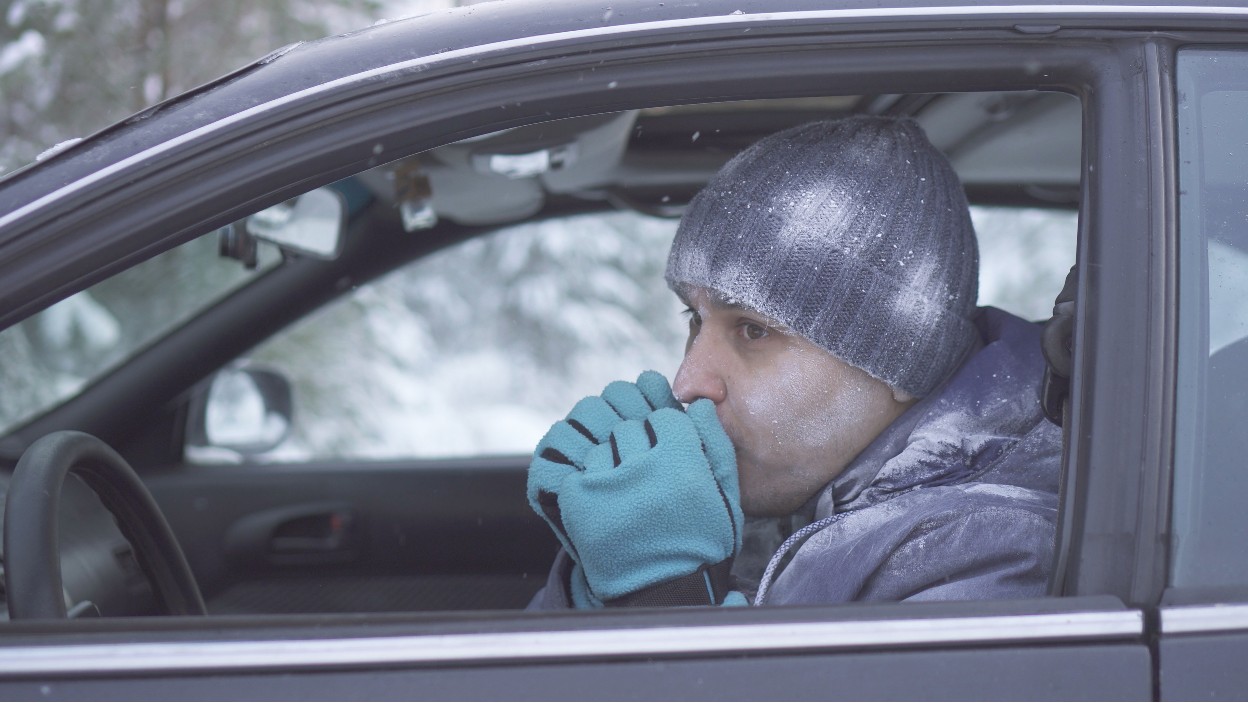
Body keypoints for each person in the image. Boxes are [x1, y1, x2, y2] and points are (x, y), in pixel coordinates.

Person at [526, 116, 1062, 609]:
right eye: (695, 318)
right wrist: (596, 584)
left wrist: (663, 598)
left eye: (754, 329)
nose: (688, 381)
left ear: (903, 360)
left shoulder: (986, 552)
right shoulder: (791, 490)